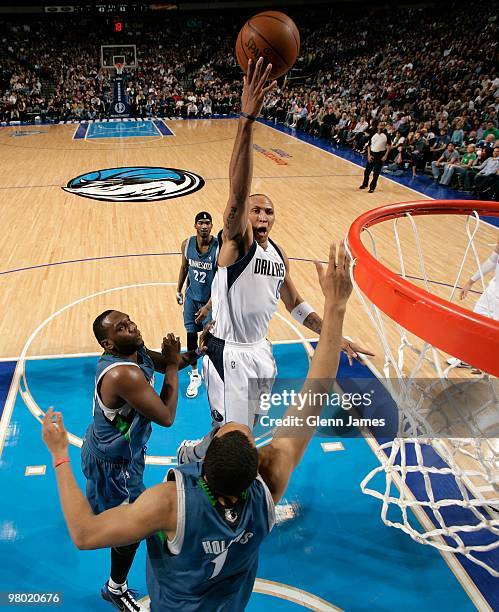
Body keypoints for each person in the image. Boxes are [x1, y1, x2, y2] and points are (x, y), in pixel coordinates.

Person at [42, 240, 353, 612]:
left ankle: (116, 584)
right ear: (257, 468)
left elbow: (84, 533)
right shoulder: (267, 488)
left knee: (123, 530)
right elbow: (313, 397)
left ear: (200, 467)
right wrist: (336, 311)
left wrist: (59, 453)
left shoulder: (169, 504)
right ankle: (116, 582)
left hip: (169, 590)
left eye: (221, 429)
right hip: (226, 603)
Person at [177, 59, 372, 464]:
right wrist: (246, 121)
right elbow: (237, 190)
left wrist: (334, 333)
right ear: (243, 218)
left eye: (269, 212)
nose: (262, 216)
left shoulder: (278, 255)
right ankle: (197, 462)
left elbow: (296, 306)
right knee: (236, 441)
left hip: (261, 353)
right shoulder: (236, 244)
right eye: (256, 211)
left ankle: (199, 452)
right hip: (226, 353)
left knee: (240, 432)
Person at [81, 310, 198, 611]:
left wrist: (200, 349)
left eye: (129, 320)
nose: (132, 326)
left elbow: (173, 364)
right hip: (111, 464)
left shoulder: (137, 351)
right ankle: (114, 588)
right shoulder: (122, 373)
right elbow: (166, 415)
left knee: (140, 517)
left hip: (127, 458)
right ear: (108, 344)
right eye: (122, 328)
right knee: (129, 529)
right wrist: (172, 364)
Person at [176, 212, 219, 398]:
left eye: (207, 223)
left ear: (211, 226)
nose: (204, 226)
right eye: (200, 223)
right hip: (192, 299)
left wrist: (208, 307)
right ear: (195, 225)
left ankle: (212, 372)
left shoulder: (219, 248)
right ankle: (194, 374)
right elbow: (184, 267)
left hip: (211, 301)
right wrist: (178, 290)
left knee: (210, 338)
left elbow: (221, 282)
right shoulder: (187, 245)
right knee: (191, 335)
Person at [359, 121, 391, 193]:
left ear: (384, 127)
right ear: (378, 126)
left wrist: (385, 155)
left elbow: (389, 146)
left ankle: (372, 187)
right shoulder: (373, 134)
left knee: (376, 173)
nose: (381, 127)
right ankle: (365, 184)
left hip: (380, 155)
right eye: (380, 125)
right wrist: (369, 155)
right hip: (372, 154)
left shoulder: (387, 135)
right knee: (367, 171)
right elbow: (369, 145)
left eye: (383, 125)